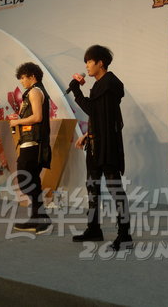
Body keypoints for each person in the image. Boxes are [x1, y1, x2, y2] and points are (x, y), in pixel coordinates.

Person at [68, 45, 133, 251]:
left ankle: (125, 235)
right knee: (92, 187)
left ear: (100, 63)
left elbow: (93, 110)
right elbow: (100, 117)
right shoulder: (100, 85)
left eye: (89, 61)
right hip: (96, 144)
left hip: (108, 146)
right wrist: (87, 135)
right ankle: (94, 229)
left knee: (115, 188)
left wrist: (76, 90)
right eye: (86, 62)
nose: (86, 66)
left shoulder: (109, 84)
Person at [8, 62, 52, 234]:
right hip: (31, 142)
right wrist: (19, 119)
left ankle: (43, 218)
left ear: (32, 76)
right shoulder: (34, 92)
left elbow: (37, 117)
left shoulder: (35, 91)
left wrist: (17, 121)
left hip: (34, 143)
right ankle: (36, 218)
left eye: (23, 78)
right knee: (32, 180)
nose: (21, 82)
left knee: (25, 179)